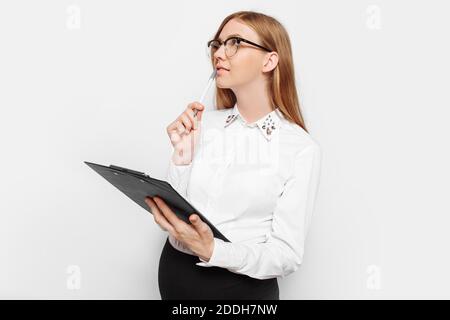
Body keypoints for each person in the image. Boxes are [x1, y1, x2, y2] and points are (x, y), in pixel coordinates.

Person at [145, 10, 322, 300]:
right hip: (175, 273)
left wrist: (214, 250)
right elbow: (178, 205)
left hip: (239, 291)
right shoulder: (204, 124)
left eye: (235, 42)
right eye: (217, 44)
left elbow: (286, 255)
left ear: (270, 60)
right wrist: (181, 157)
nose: (220, 53)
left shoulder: (300, 149)